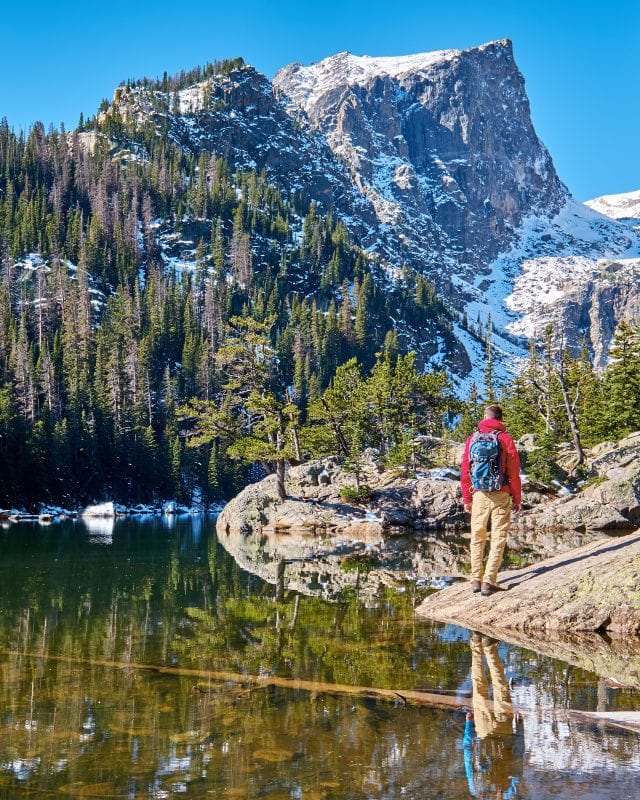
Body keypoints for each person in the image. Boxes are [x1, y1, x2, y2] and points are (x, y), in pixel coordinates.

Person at [460, 404, 521, 596]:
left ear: (485, 417)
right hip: (501, 493)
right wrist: (517, 497)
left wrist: (467, 498)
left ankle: (475, 580)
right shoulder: (505, 439)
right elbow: (514, 472)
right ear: (501, 420)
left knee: (477, 537)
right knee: (498, 537)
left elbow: (465, 471)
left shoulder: (473, 439)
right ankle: (489, 581)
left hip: (479, 494)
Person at [463, 634, 524, 798]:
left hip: (505, 734)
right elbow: (468, 754)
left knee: (501, 688)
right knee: (479, 686)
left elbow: (517, 761)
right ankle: (476, 642)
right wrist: (469, 726)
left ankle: (489, 647)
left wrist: (520, 729)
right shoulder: (476, 789)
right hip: (483, 732)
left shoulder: (507, 793)